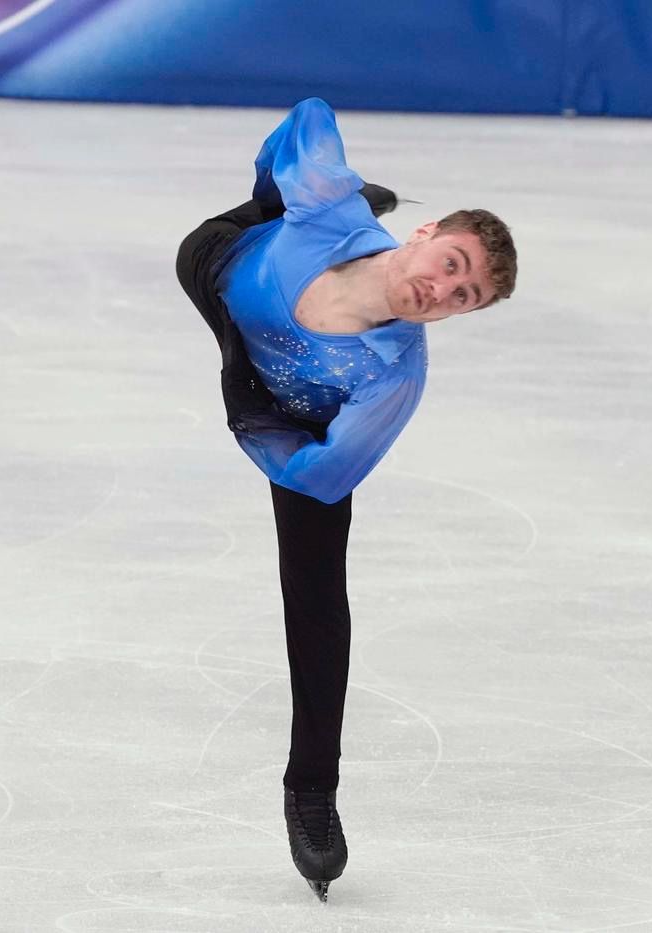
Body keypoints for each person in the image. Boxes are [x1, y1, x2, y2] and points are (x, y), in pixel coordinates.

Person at [175, 97, 517, 902]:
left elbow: (324, 476)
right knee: (217, 238)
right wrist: (282, 195)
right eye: (451, 263)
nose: (442, 289)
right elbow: (306, 118)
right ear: (424, 234)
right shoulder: (326, 209)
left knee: (319, 601)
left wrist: (253, 423)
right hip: (220, 267)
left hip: (292, 419)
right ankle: (355, 199)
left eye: (463, 296)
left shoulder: (392, 373)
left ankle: (311, 790)